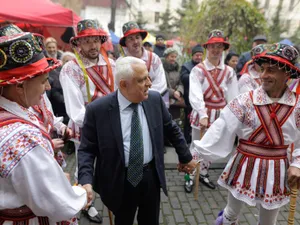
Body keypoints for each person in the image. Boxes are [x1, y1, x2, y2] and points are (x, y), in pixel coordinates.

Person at [77, 56, 197, 225]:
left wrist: (186, 157)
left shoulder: (154, 100)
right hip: (120, 180)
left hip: (150, 177)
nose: (149, 83)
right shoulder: (98, 110)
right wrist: (85, 181)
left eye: (148, 77)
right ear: (124, 84)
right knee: (123, 220)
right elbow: (87, 150)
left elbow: (171, 128)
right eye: (142, 80)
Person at [191, 43, 300, 225]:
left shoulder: (297, 106)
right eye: (263, 69)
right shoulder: (244, 101)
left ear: (287, 74)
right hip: (244, 164)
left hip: (277, 169)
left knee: (268, 222)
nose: (263, 75)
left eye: (271, 70)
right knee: (231, 214)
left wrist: (298, 164)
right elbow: (221, 127)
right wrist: (195, 156)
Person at [0, 32, 87, 224]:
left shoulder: (15, 110)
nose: (48, 87)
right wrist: (81, 192)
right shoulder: (20, 137)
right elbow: (58, 203)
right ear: (20, 86)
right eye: (42, 81)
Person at [60, 19, 115, 223]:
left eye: (95, 40)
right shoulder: (70, 69)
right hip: (87, 127)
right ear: (78, 44)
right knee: (84, 166)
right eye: (87, 41)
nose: (92, 46)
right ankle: (86, 203)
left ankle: (110, 197)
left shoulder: (111, 63)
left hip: (110, 126)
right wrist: (101, 125)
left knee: (109, 163)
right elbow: (75, 110)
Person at [187, 30, 239, 192]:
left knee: (212, 145)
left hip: (220, 113)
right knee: (196, 145)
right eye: (212, 46)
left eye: (219, 46)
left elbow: (233, 96)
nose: (215, 49)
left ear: (223, 48)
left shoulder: (229, 72)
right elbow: (195, 93)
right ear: (207, 48)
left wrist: (234, 117)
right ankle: (190, 175)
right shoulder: (198, 70)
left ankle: (203, 172)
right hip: (202, 112)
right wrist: (202, 114)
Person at [119, 22, 167, 106]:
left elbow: (161, 84)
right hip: (130, 105)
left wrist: (143, 97)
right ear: (125, 43)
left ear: (142, 39)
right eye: (130, 39)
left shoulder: (154, 59)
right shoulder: (121, 63)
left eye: (137, 37)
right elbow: (120, 87)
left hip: (152, 104)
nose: (135, 41)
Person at [180, 44, 204, 144]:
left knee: (201, 119)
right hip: (189, 98)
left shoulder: (205, 66)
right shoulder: (186, 66)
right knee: (188, 119)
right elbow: (183, 78)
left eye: (200, 55)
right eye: (196, 55)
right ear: (192, 56)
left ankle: (201, 139)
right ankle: (187, 139)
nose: (198, 57)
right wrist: (195, 75)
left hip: (202, 98)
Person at [162, 47, 185, 120]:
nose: (173, 59)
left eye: (175, 57)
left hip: (175, 103)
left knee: (174, 123)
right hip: (162, 100)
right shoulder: (160, 69)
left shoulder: (177, 70)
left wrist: (179, 91)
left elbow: (180, 83)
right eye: (172, 56)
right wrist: (173, 92)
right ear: (166, 57)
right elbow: (159, 85)